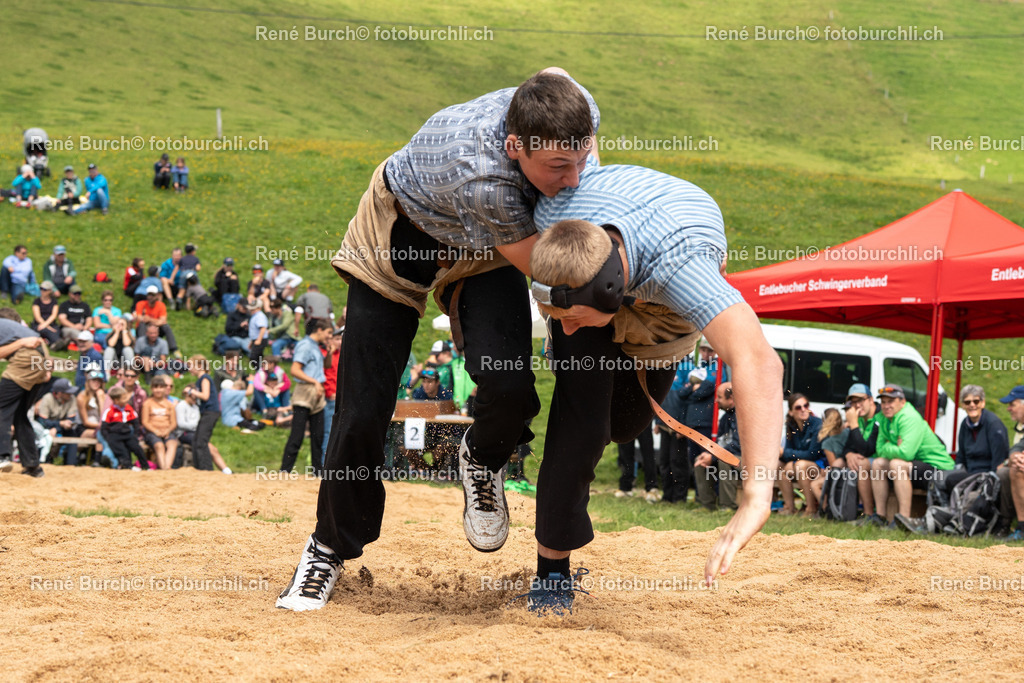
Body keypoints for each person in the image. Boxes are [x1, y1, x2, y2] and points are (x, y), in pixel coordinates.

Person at [277, 68, 600, 612]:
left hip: (483, 244)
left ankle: (481, 456)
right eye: (557, 168)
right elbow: (548, 281)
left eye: (580, 160)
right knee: (364, 405)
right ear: (514, 146)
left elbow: (555, 75)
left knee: (509, 384)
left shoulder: (574, 104)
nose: (573, 178)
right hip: (401, 233)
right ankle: (327, 548)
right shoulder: (483, 178)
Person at [521, 162, 783, 614]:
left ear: (610, 292)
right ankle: (551, 577)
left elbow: (758, 361)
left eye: (573, 317)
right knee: (581, 426)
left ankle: (610, 360)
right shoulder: (555, 211)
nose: (564, 327)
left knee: (624, 426)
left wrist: (756, 495)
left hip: (662, 306)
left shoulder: (682, 267)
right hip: (594, 265)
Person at [869, 385, 954, 529]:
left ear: (902, 402)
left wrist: (889, 447)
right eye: (883, 402)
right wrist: (894, 447)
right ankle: (880, 516)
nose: (886, 406)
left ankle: (903, 519)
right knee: (878, 463)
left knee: (896, 464)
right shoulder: (884, 418)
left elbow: (905, 453)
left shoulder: (909, 417)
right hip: (915, 465)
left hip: (939, 469)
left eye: (891, 401)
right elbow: (879, 449)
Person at [0, 309, 51, 477]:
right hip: (40, 361)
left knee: (1, 407)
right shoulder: (17, 328)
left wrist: (20, 344)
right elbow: (39, 341)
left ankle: (2, 456)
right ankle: (33, 467)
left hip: (26, 359)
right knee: (20, 415)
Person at [279, 319, 331, 475]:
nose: (329, 336)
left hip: (317, 394)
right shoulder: (305, 345)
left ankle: (317, 473)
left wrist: (329, 352)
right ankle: (285, 471)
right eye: (328, 332)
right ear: (319, 329)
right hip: (304, 392)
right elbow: (295, 370)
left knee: (318, 436)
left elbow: (326, 366)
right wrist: (315, 382)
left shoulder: (316, 347)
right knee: (297, 435)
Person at [694, 382, 741, 510]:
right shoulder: (726, 417)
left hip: (748, 460)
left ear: (731, 398)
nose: (716, 400)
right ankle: (708, 505)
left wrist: (714, 456)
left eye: (719, 397)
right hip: (730, 456)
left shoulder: (743, 416)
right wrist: (708, 453)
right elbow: (720, 442)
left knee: (724, 461)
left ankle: (727, 506)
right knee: (700, 461)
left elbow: (738, 446)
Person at [776, 393, 823, 516]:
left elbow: (813, 454)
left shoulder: (817, 424)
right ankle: (790, 508)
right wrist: (786, 455)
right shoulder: (791, 425)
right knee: (778, 465)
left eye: (805, 405)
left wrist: (786, 453)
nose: (803, 409)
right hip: (801, 463)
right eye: (798, 407)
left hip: (821, 466)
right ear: (791, 412)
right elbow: (789, 452)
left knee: (800, 466)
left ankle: (811, 508)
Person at [681, 367, 718, 511]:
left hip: (705, 427)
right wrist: (692, 387)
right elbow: (682, 395)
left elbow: (706, 389)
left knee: (706, 462)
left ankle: (711, 497)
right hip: (692, 428)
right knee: (695, 461)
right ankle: (699, 496)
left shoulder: (714, 371)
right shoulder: (693, 385)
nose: (705, 353)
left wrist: (697, 388)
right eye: (702, 349)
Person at [35, 378, 84, 465]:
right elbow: (43, 421)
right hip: (45, 428)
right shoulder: (47, 398)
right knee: (46, 435)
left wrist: (58, 427)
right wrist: (59, 424)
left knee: (72, 435)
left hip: (61, 427)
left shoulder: (72, 398)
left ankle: (71, 464)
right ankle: (43, 462)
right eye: (68, 392)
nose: (71, 394)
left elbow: (71, 419)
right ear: (60, 393)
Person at [101, 386, 151, 470]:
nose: (126, 399)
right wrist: (109, 438)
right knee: (122, 452)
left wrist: (135, 435)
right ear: (116, 400)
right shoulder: (109, 411)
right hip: (115, 436)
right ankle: (128, 466)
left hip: (127, 434)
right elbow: (104, 428)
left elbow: (135, 423)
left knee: (137, 449)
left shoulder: (129, 409)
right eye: (124, 398)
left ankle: (145, 466)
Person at [187, 355, 219, 471]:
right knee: (196, 440)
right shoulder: (200, 379)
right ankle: (199, 468)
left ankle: (206, 469)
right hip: (207, 412)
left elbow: (205, 396)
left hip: (210, 412)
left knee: (201, 441)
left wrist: (191, 391)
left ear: (200, 366)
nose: (189, 368)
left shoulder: (205, 378)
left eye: (191, 365)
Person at [77, 370, 115, 467]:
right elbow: (85, 422)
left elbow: (104, 415)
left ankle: (101, 459)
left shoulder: (104, 396)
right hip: (85, 428)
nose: (96, 383)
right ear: (88, 381)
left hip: (100, 427)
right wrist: (101, 426)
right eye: (93, 380)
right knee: (101, 432)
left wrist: (101, 398)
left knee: (102, 432)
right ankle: (98, 460)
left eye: (99, 381)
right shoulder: (81, 397)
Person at [141, 375, 179, 469]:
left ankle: (167, 467)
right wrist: (156, 431)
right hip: (152, 432)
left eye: (161, 387)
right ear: (152, 389)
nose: (158, 390)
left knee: (172, 444)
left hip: (167, 431)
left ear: (165, 389)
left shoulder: (169, 404)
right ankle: (163, 468)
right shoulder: (147, 403)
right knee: (159, 445)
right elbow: (145, 422)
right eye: (155, 387)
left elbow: (173, 423)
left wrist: (167, 431)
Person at [614, 422, 658, 502]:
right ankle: (625, 487)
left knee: (648, 453)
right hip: (625, 420)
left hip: (643, 419)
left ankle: (651, 487)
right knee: (625, 454)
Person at [134, 286, 180, 357]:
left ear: (157, 296)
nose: (151, 297)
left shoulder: (161, 305)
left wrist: (149, 319)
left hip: (156, 328)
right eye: (149, 295)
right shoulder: (140, 304)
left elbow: (163, 321)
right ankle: (143, 348)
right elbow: (140, 318)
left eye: (153, 295)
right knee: (142, 324)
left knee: (166, 326)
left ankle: (174, 348)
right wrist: (156, 321)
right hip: (144, 329)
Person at [57, 285, 92, 351]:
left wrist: (85, 328)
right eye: (75, 294)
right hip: (68, 328)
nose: (77, 295)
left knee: (86, 334)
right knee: (73, 332)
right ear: (69, 294)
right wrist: (74, 326)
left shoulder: (85, 306)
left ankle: (66, 343)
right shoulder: (64, 305)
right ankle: (84, 346)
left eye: (79, 294)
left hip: (82, 329)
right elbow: (62, 319)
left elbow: (89, 320)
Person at [30, 281, 61, 346]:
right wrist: (47, 327)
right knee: (46, 330)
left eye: (45, 289)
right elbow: (37, 317)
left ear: (50, 291)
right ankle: (55, 343)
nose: (42, 291)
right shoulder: (37, 301)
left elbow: (53, 316)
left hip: (51, 324)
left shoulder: (54, 302)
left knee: (55, 331)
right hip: (39, 324)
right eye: (41, 288)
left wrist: (47, 325)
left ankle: (54, 343)